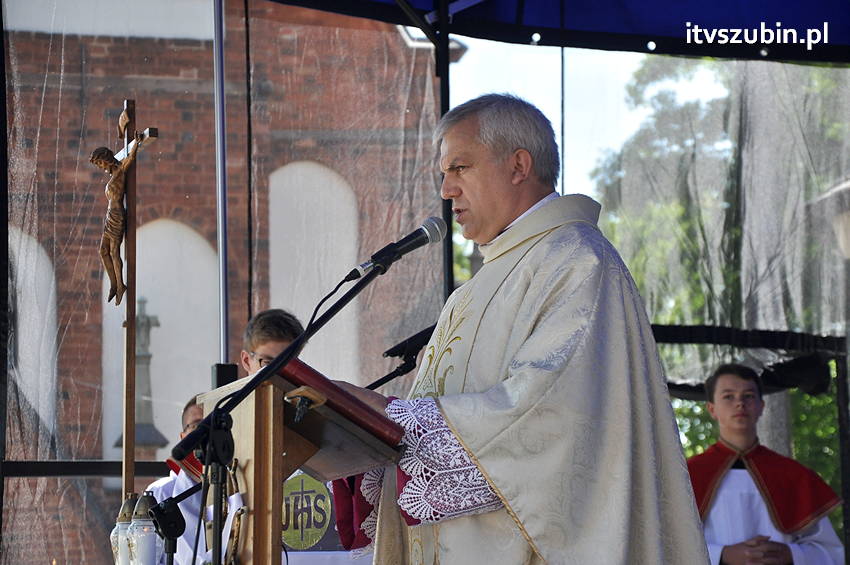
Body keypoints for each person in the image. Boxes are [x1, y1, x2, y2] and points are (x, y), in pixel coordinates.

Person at [332, 93, 709, 564]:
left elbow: (552, 422)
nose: (446, 190)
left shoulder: (576, 261)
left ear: (518, 166)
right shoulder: (474, 290)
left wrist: (397, 418)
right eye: (443, 174)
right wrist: (359, 426)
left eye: (460, 168)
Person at [687, 364, 844, 565]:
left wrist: (791, 554)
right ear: (712, 409)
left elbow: (830, 553)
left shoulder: (794, 476)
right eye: (728, 396)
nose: (740, 403)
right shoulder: (686, 476)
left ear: (761, 406)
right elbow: (667, 546)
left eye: (749, 396)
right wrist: (721, 555)